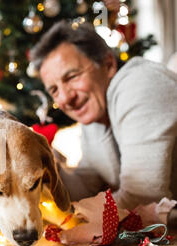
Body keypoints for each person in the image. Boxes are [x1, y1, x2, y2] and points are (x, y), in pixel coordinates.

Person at [30, 20, 177, 210]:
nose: (65, 98)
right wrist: (50, 169)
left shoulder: (142, 84)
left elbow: (143, 199)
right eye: (54, 90)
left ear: (108, 65)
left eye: (72, 77)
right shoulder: (95, 118)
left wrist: (76, 216)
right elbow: (86, 185)